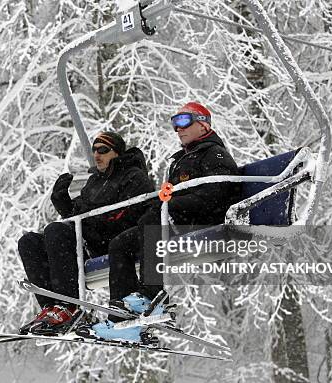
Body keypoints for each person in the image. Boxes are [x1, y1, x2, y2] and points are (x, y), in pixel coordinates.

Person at [85, 101, 240, 342]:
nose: (178, 129)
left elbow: (216, 194)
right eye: (174, 123)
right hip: (176, 221)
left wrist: (170, 206)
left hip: (202, 221)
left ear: (202, 123)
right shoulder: (181, 159)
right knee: (120, 243)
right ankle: (122, 318)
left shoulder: (214, 154)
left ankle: (152, 294)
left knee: (152, 220)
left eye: (183, 121)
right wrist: (164, 205)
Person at [17, 131, 154, 335]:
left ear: (116, 153)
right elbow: (77, 215)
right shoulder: (95, 182)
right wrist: (62, 202)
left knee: (56, 230)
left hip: (115, 240)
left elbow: (132, 213)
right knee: (29, 241)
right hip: (90, 237)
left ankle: (69, 306)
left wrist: (94, 221)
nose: (97, 155)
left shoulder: (134, 176)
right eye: (94, 150)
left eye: (103, 150)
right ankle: (51, 307)